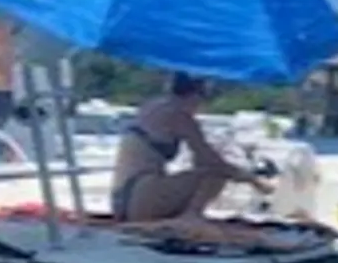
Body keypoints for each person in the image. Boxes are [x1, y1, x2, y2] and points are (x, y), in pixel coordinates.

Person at [109, 75, 268, 223]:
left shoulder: (152, 107)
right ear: (197, 94)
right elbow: (211, 162)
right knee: (215, 173)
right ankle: (191, 218)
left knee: (203, 171)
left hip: (122, 199)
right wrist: (252, 180)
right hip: (140, 195)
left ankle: (185, 216)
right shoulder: (179, 115)